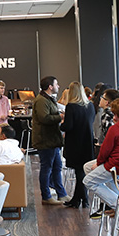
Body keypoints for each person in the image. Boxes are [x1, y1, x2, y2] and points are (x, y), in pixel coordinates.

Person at [31, 76, 69, 205]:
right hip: (45, 140)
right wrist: (60, 116)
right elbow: (45, 118)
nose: (58, 86)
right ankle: (46, 196)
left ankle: (62, 194)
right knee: (46, 168)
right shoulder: (41, 100)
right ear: (50, 87)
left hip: (52, 140)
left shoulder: (47, 99)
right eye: (56, 84)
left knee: (57, 167)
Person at [60, 81, 96, 209]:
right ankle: (79, 199)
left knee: (79, 172)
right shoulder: (90, 106)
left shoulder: (71, 107)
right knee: (81, 171)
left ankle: (82, 199)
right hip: (87, 141)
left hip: (75, 142)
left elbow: (68, 126)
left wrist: (61, 123)